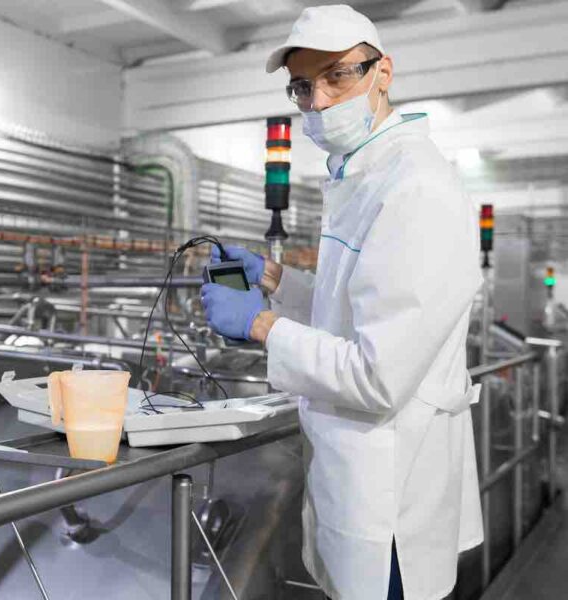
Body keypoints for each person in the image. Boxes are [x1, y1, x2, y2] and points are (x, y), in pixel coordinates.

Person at [200, 5, 483, 600]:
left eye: (338, 75)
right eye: (303, 86)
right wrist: (279, 281)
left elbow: (378, 375)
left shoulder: (416, 186)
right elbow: (355, 304)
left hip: (391, 504)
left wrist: (261, 324)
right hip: (360, 479)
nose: (319, 100)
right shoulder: (364, 175)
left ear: (383, 72)